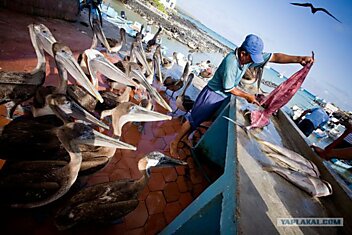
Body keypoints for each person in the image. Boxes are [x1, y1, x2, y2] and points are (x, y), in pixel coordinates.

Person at [169, 34, 314, 158]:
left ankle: (187, 137)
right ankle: (174, 143)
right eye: (252, 58)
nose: (253, 62)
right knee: (192, 118)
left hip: (222, 96)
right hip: (212, 94)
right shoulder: (231, 61)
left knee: (200, 119)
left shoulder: (246, 58)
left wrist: (299, 58)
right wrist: (248, 96)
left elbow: (275, 56)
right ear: (243, 53)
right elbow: (229, 88)